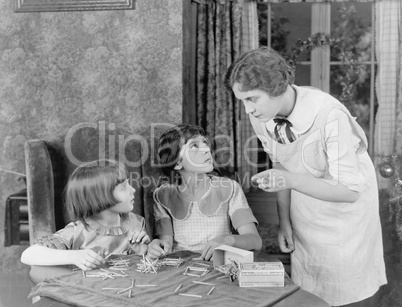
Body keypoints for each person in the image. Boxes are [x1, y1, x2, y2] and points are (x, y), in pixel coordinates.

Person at [225, 46, 386, 307]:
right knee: (310, 294)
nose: (247, 110)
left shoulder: (330, 115)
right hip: (305, 211)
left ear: (277, 86)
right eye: (242, 101)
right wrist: (285, 221)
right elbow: (281, 163)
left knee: (349, 290)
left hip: (345, 219)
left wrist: (289, 180)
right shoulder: (262, 116)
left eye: (252, 99)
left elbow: (348, 191)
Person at [147, 124, 262, 260]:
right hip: (181, 269)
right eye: (194, 146)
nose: (206, 149)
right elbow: (166, 245)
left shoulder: (229, 188)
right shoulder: (163, 196)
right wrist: (156, 246)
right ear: (177, 163)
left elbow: (255, 241)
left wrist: (228, 240)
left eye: (205, 143)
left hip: (217, 269)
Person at [21, 159, 149, 278]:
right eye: (124, 187)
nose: (133, 190)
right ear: (100, 197)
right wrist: (74, 256)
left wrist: (144, 251)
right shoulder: (78, 231)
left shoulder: (136, 222)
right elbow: (28, 255)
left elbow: (146, 267)